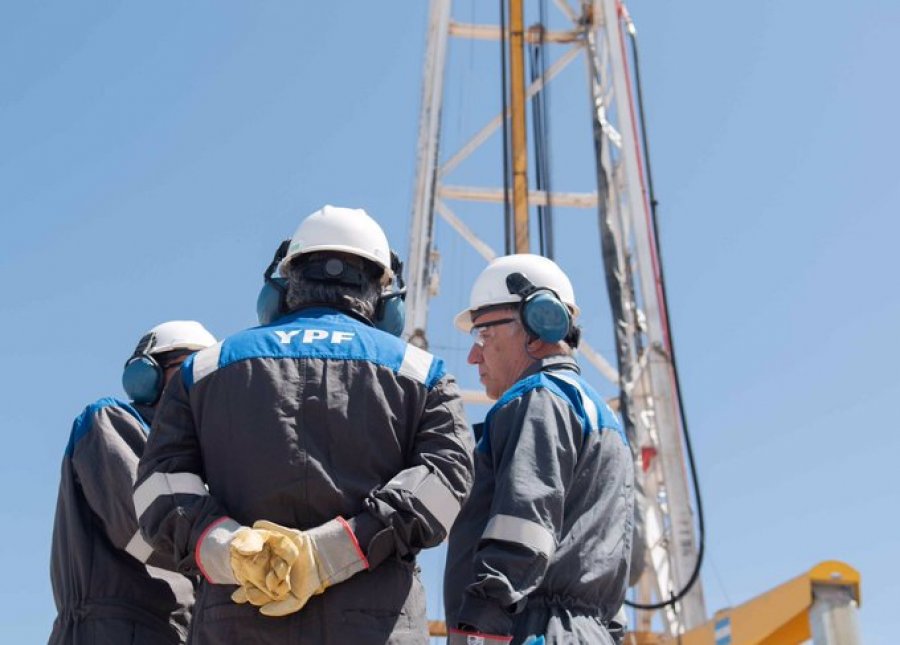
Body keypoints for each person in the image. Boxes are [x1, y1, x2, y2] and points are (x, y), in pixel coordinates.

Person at [134, 205, 474, 644]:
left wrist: (231, 549)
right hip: (376, 626)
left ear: (283, 285)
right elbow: (446, 481)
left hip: (236, 623)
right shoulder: (423, 374)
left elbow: (157, 490)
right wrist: (334, 550)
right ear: (385, 297)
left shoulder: (204, 370)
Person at [444, 254, 635, 645]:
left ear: (538, 324)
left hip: (529, 630)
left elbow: (522, 527)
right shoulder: (603, 419)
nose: (473, 355)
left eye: (483, 335)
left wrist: (478, 630)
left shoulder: (537, 399)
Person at [49, 320, 217, 645]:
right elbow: (143, 531)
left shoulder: (199, 465)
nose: (202, 387)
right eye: (189, 371)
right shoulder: (110, 422)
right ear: (146, 377)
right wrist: (233, 551)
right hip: (110, 631)